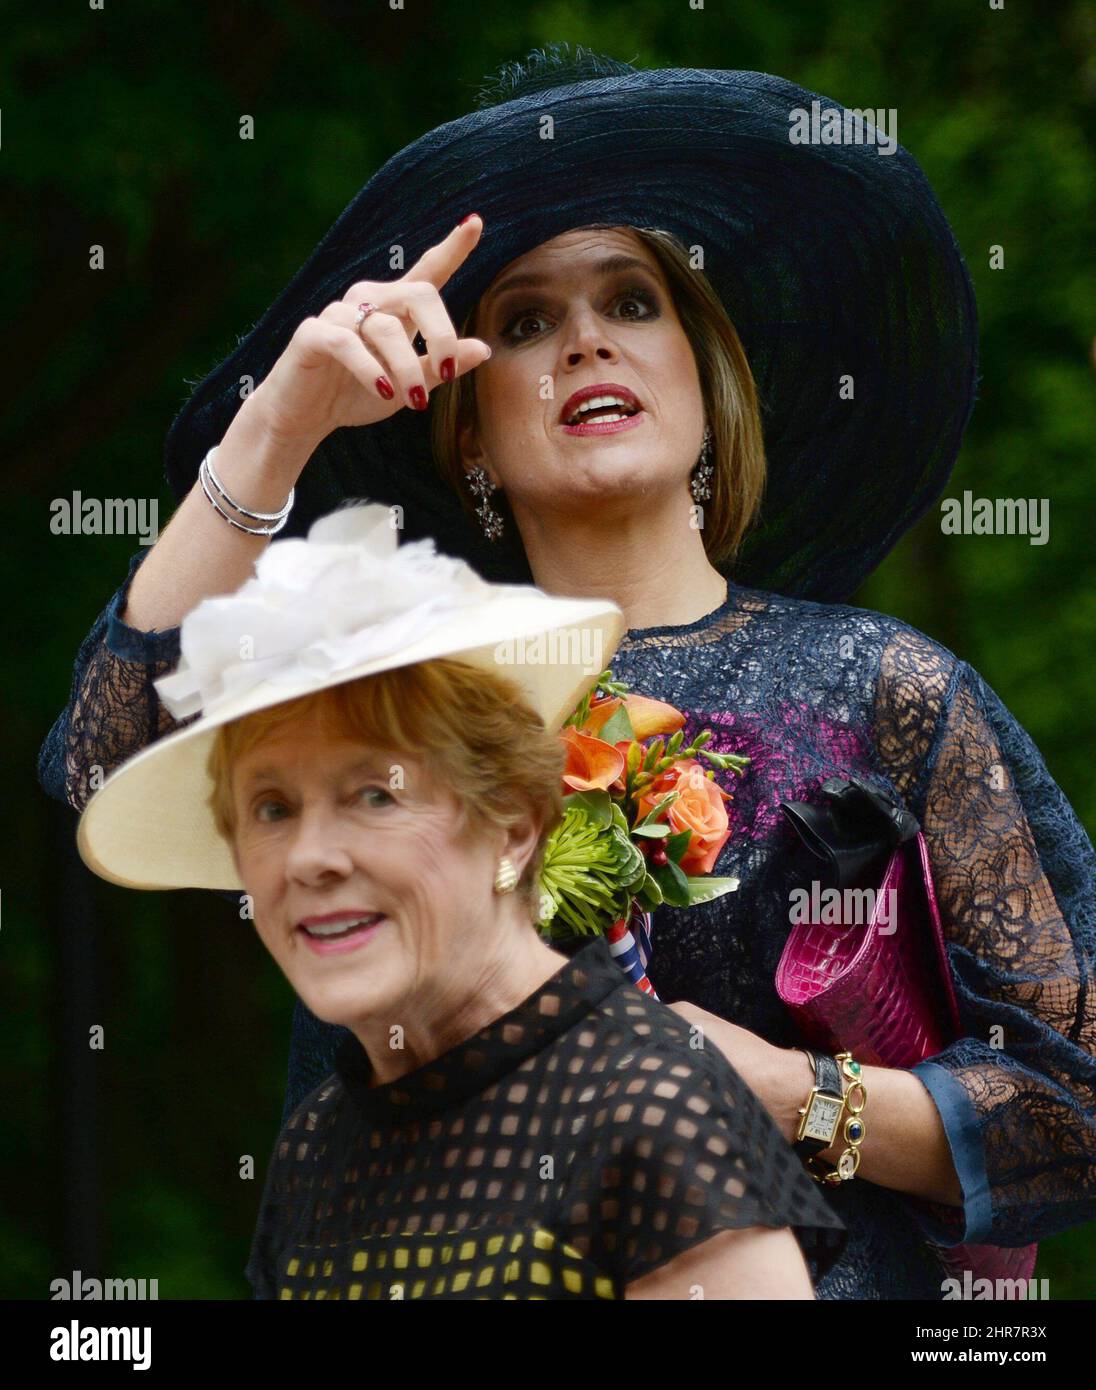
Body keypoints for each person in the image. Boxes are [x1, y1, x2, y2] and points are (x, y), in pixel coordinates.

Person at [38, 46, 1096, 1299]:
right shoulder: (392, 686)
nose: (585, 340)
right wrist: (281, 421)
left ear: (709, 382)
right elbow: (102, 763)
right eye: (526, 322)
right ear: (467, 433)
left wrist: (787, 1092)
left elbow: (1073, 1107)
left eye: (632, 302)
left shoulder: (888, 687)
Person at [73, 502, 847, 1300]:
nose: (309, 859)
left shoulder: (652, 1107)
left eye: (375, 795)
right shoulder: (319, 1146)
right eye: (271, 808)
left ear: (513, 828)